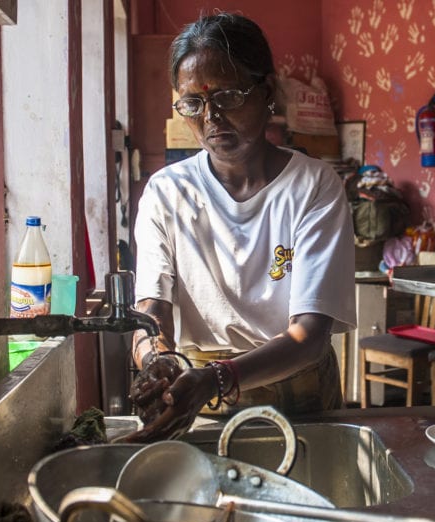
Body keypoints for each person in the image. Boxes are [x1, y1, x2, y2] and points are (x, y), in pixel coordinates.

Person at [118, 13, 356, 443]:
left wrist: (216, 379)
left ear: (266, 92)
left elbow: (311, 335)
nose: (211, 117)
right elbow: (152, 309)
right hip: (195, 396)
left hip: (297, 392)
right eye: (193, 104)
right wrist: (155, 358)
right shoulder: (167, 192)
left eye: (227, 96)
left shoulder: (313, 186)